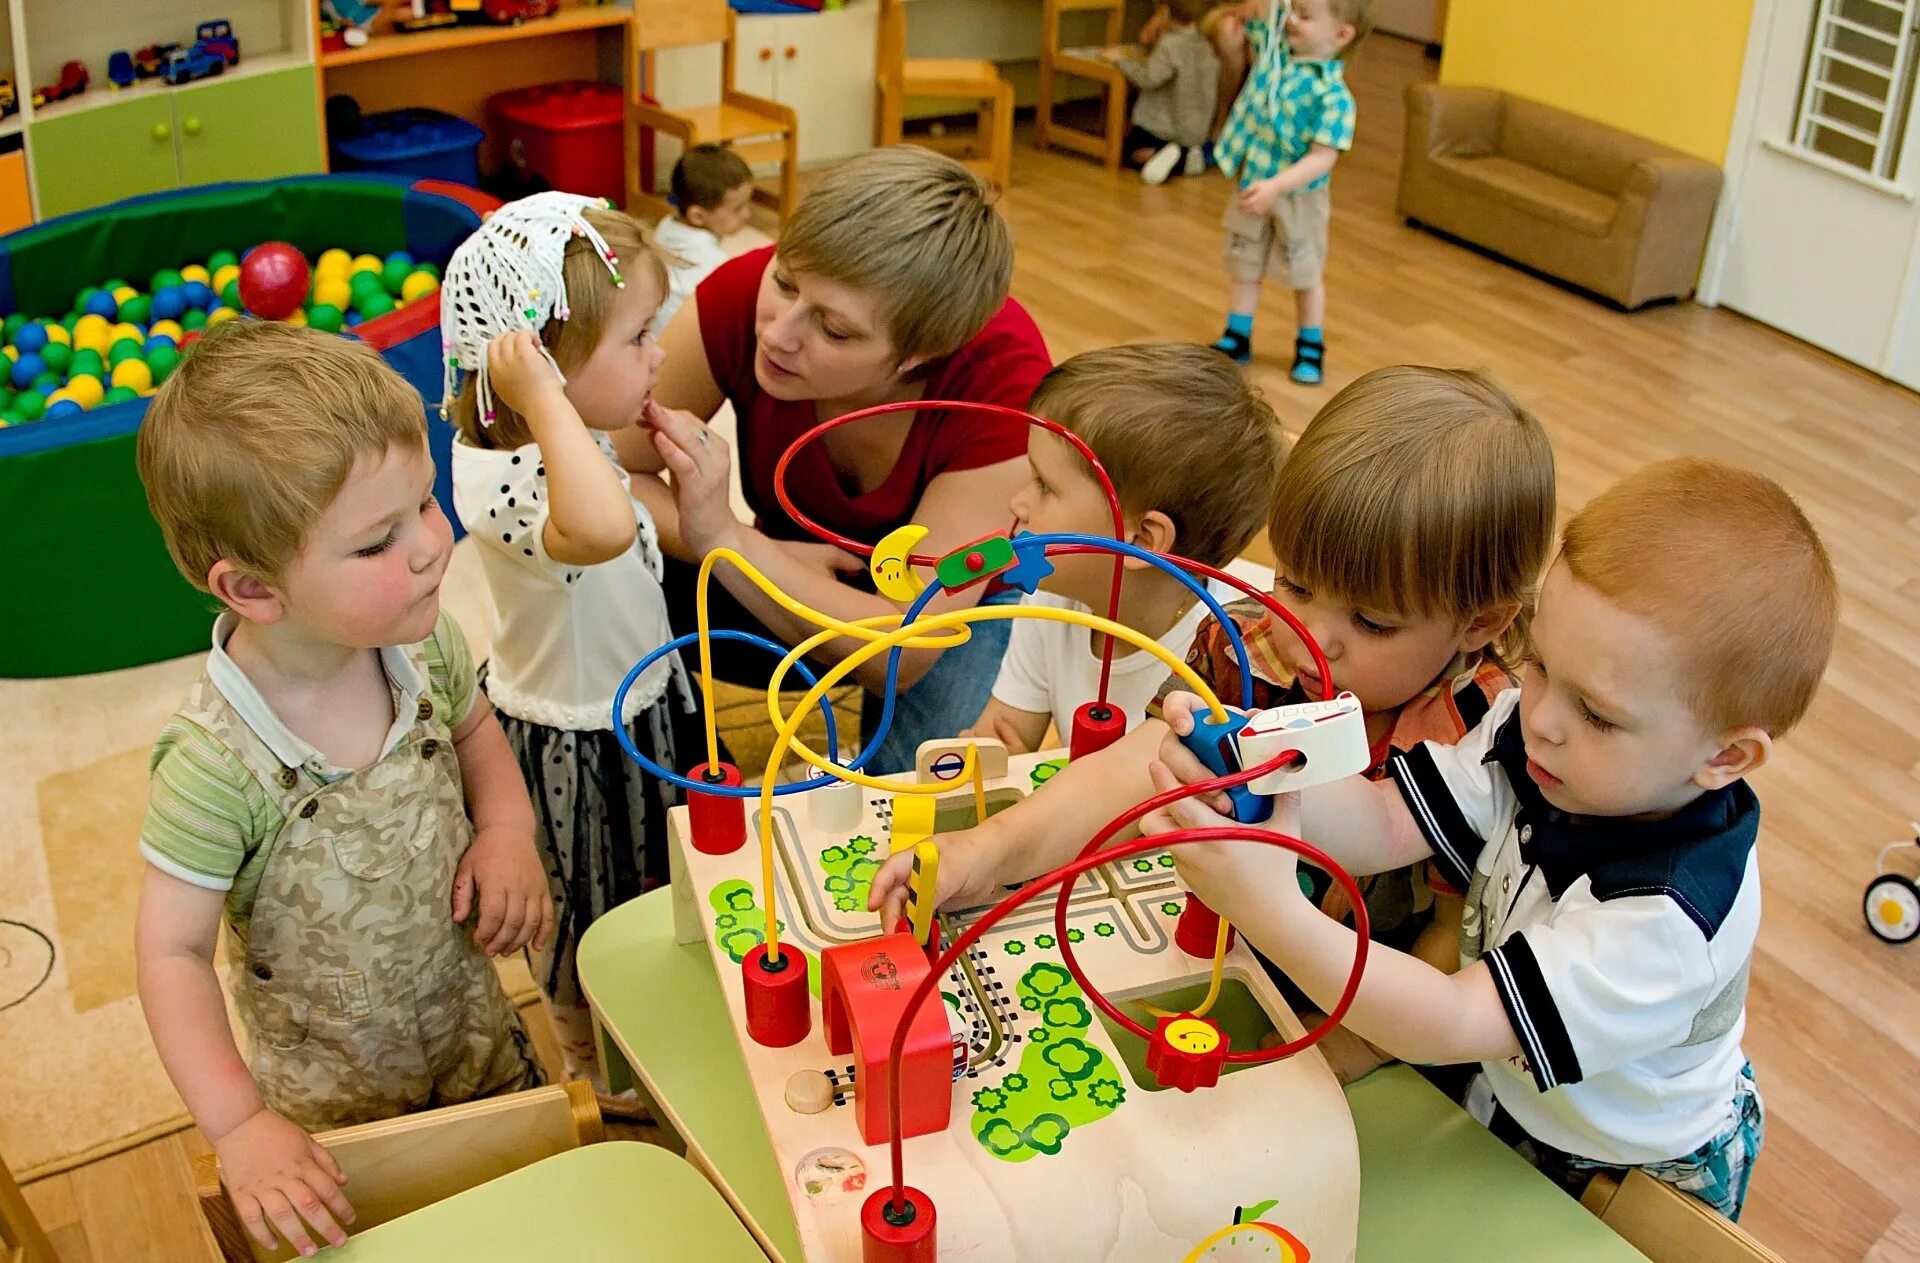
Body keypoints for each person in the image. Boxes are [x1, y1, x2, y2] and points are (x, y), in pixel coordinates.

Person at [1148, 458, 1838, 1221]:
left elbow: (1452, 1019)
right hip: (1510, 1084)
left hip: (1622, 1168)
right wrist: (1255, 760)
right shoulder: (1542, 740)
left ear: (1724, 757)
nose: (1537, 713)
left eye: (1599, 713)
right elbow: (1384, 821)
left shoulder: (1666, 919)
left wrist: (1273, 907)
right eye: (1540, 664)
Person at [871, 368, 1557, 1082]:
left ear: (1480, 623)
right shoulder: (1247, 644)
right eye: (1294, 584)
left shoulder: (1488, 736)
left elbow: (1456, 938)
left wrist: (1345, 1056)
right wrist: (982, 852)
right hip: (1240, 952)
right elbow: (1140, 768)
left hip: (1389, 1026)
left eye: (1371, 621)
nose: (1309, 636)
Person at [133, 322, 552, 1258]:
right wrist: (239, 1126)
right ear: (252, 588)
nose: (430, 548)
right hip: (334, 1118)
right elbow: (170, 953)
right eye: (375, 543)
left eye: (427, 505)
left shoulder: (422, 641)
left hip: (474, 1035)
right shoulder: (209, 767)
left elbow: (478, 729)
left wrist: (508, 826)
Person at [620, 146, 1054, 774]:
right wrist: (741, 544)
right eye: (786, 281)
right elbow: (607, 468)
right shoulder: (742, 293)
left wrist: (727, 540)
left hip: (952, 613)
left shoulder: (1001, 380)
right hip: (791, 570)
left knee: (917, 799)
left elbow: (907, 650)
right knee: (595, 556)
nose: (778, 332)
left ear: (919, 355)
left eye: (835, 330)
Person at [442, 194, 700, 1093]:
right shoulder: (499, 476)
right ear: (539, 371)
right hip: (575, 740)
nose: (659, 354)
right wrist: (551, 403)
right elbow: (596, 531)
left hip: (640, 703)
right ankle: (604, 1070)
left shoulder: (570, 439)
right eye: (636, 338)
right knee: (593, 907)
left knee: (656, 884)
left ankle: (660, 1014)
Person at [971, 343, 1282, 753]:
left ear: (1143, 540)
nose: (1018, 504)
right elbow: (1000, 745)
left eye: (1045, 486)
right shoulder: (1053, 595)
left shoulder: (1226, 664)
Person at [1208, 0, 1370, 384]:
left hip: (1299, 198)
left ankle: (1310, 344)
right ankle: (1237, 334)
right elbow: (1267, 11)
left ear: (1341, 34)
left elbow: (1322, 158)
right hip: (1255, 182)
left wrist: (1277, 186)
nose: (1293, 20)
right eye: (1294, 10)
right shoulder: (1274, 54)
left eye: (1306, 16)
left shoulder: (1334, 96)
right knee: (1244, 259)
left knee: (1304, 271)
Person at [1098, 0, 1223, 186]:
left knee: (1126, 148)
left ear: (1164, 13)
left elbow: (1148, 78)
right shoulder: (1205, 45)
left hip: (1163, 129)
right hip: (1195, 132)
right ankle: (1187, 156)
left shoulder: (1169, 45)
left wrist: (1120, 61)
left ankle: (1171, 156)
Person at [652, 143, 755, 338]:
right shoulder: (717, 265)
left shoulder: (666, 225)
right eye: (737, 209)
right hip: (682, 345)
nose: (747, 214)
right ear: (698, 216)